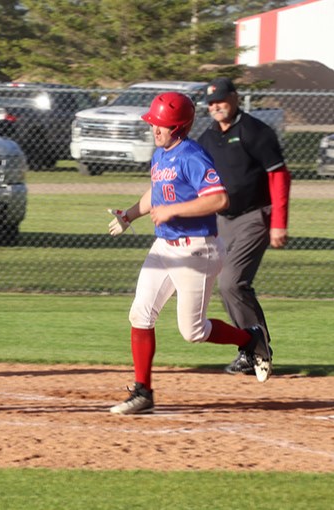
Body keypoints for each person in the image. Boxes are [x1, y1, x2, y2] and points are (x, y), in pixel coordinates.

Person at [106, 92, 271, 415]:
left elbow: (219, 200)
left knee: (193, 331)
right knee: (140, 314)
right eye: (153, 123)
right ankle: (143, 392)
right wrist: (128, 216)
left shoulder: (192, 155)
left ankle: (250, 339)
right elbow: (157, 193)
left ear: (179, 127)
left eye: (161, 124)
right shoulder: (161, 154)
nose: (155, 129)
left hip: (197, 249)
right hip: (164, 246)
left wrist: (173, 211)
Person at [197, 77, 291, 375]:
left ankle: (257, 349)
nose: (216, 106)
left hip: (255, 215)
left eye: (221, 100)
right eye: (211, 102)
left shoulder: (254, 131)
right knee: (225, 285)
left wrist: (278, 223)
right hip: (222, 218)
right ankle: (251, 349)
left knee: (232, 281)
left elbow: (279, 177)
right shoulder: (208, 137)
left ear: (235, 98)